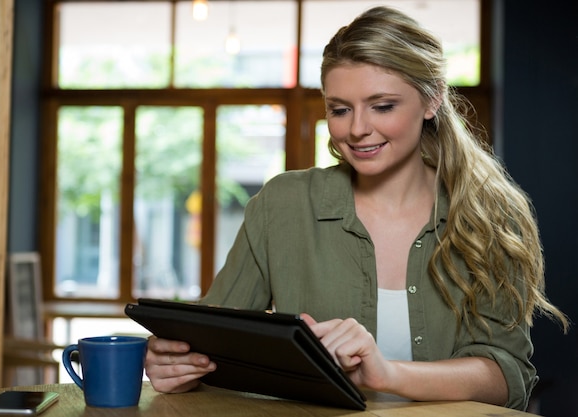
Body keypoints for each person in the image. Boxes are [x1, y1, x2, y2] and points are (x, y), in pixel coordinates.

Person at [144, 6, 568, 411]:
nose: (357, 129)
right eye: (340, 109)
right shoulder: (283, 204)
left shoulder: (491, 216)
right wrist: (176, 360)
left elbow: (507, 376)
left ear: (432, 100)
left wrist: (386, 373)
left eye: (382, 106)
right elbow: (216, 338)